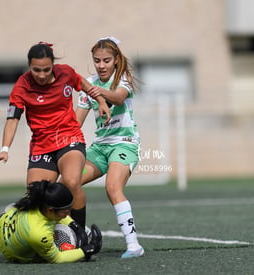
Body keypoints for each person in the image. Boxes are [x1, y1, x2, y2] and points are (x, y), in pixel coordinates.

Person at [0, 42, 111, 228]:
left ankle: (79, 235)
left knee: (71, 181)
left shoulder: (66, 73)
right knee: (35, 196)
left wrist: (101, 101)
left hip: (69, 138)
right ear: (29, 66)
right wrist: (4, 149)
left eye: (46, 69)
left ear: (53, 65)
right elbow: (12, 119)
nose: (42, 75)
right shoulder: (22, 86)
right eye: (36, 70)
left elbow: (85, 85)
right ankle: (16, 214)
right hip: (41, 145)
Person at [75, 36, 145, 259]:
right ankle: (79, 234)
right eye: (97, 60)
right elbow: (76, 123)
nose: (101, 65)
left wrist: (94, 90)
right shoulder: (89, 83)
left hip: (124, 145)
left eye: (106, 60)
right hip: (100, 149)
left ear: (115, 60)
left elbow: (116, 98)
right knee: (68, 184)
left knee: (112, 187)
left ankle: (134, 245)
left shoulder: (122, 79)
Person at [0, 180, 102, 263]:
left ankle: (1, 220)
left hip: (7, 221)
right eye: (66, 211)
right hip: (15, 255)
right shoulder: (39, 234)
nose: (69, 213)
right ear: (51, 209)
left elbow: (62, 216)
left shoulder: (38, 202)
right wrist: (87, 249)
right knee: (65, 236)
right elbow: (57, 258)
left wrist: (74, 225)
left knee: (13, 207)